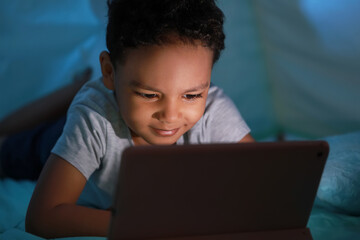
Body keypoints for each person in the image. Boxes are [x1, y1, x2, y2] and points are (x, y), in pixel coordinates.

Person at [1, 0, 254, 238]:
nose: (171, 116)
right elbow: (42, 218)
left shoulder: (213, 111)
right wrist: (151, 224)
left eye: (191, 95)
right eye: (149, 94)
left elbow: (263, 179)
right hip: (58, 139)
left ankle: (79, 88)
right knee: (11, 147)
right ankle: (72, 93)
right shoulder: (94, 120)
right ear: (110, 71)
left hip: (107, 100)